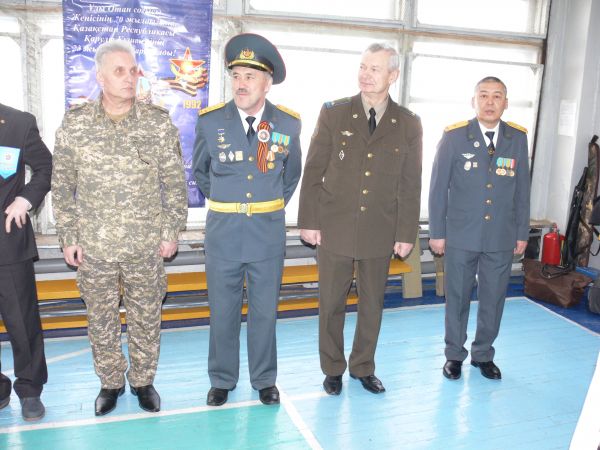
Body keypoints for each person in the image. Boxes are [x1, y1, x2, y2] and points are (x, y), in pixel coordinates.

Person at [52, 39, 188, 416]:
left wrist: (170, 231)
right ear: (100, 77)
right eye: (119, 71)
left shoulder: (157, 124)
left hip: (145, 244)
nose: (129, 78)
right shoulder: (76, 124)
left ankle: (143, 381)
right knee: (101, 318)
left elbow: (174, 183)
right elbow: (62, 186)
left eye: (133, 70)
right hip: (94, 246)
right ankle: (110, 382)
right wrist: (69, 237)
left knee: (146, 316)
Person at [297, 43, 422, 395]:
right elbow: (314, 170)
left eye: (375, 69)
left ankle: (363, 366)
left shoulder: (408, 124)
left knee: (372, 304)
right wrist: (309, 220)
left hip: (380, 228)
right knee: (331, 302)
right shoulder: (334, 113)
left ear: (393, 75)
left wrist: (406, 232)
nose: (366, 75)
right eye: (363, 67)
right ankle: (332, 368)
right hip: (334, 225)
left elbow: (411, 183)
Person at [193, 33, 301, 406]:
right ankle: (222, 379)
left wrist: (266, 206)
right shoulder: (211, 122)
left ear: (267, 82)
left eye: (250, 77)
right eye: (236, 75)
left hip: (266, 234)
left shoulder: (288, 124)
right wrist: (230, 201)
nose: (241, 83)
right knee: (222, 312)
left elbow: (291, 176)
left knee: (264, 313)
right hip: (223, 234)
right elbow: (201, 172)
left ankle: (264, 379)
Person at [428, 76, 530, 381]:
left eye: (497, 96)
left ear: (505, 103)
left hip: (500, 236)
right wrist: (437, 232)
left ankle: (483, 354)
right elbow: (438, 188)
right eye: (483, 95)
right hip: (461, 235)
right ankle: (454, 355)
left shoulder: (517, 138)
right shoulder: (454, 136)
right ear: (473, 101)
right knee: (457, 298)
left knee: (494, 299)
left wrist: (522, 233)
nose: (489, 102)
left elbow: (522, 190)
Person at [0, 103, 51, 421]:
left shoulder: (17, 123)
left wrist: (26, 198)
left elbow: (45, 167)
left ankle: (30, 389)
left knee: (22, 321)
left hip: (7, 241)